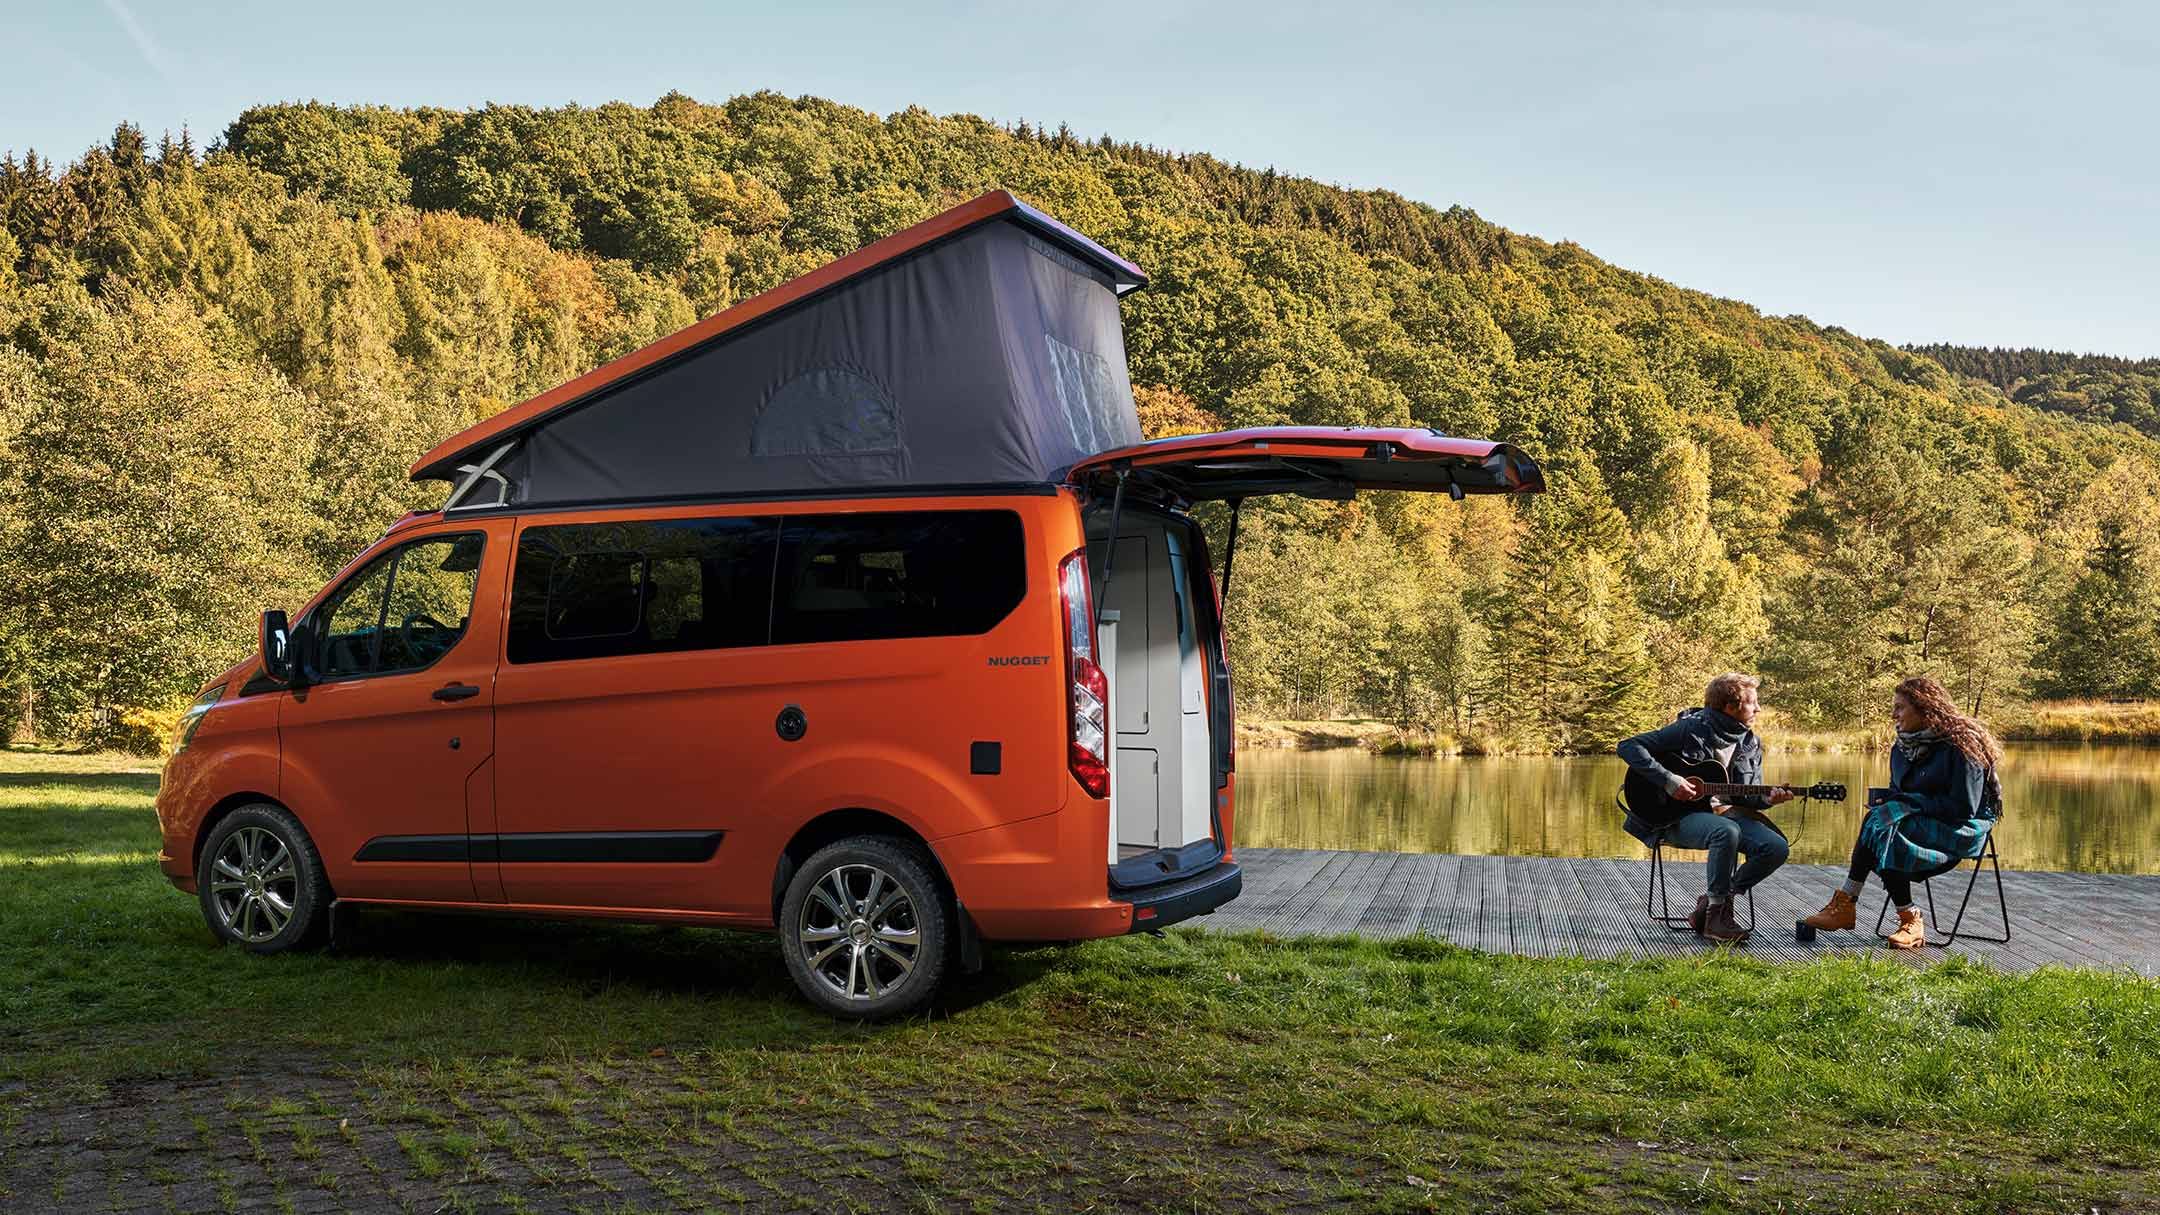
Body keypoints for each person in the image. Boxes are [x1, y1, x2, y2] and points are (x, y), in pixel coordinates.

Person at [1801, 676, 2002, 949]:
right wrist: (1891, 800)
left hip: (1961, 827)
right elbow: (1903, 792)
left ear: (1925, 709)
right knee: (1881, 821)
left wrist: (1909, 803)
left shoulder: (1962, 746)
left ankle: (1876, 910)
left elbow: (1964, 807)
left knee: (1884, 828)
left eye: (1900, 707)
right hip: (1918, 822)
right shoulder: (1902, 748)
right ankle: (1898, 916)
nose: (1893, 714)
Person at [1616, 673, 1793, 943]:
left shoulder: (1750, 743)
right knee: (1727, 831)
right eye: (1752, 703)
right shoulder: (1691, 729)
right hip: (1673, 817)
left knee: (1776, 847)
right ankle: (1716, 920)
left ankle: (1712, 904)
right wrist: (1669, 780)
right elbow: (1629, 746)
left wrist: (1769, 799)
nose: (1758, 709)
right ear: (1729, 706)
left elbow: (1747, 797)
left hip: (1725, 817)